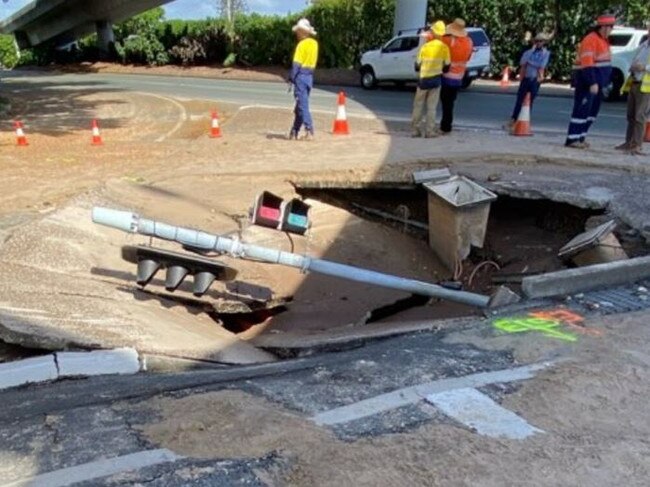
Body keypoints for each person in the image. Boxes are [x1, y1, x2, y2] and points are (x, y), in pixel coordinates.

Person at [565, 14, 615, 149]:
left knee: (591, 113)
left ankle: (580, 137)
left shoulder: (603, 41)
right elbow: (587, 63)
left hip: (598, 84)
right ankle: (573, 139)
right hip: (587, 83)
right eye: (609, 27)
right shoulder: (591, 40)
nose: (610, 30)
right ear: (602, 27)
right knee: (581, 111)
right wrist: (592, 82)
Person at [616, 20, 650, 155]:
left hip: (645, 86)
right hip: (635, 81)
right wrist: (633, 66)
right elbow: (634, 58)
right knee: (631, 115)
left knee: (639, 116)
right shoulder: (644, 45)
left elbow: (644, 65)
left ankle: (637, 144)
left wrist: (645, 68)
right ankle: (628, 142)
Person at [412, 21, 451, 138]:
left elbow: (416, 66)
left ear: (433, 32)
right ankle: (430, 131)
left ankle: (415, 130)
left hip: (423, 80)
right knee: (431, 108)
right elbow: (447, 66)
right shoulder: (444, 48)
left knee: (418, 105)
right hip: (436, 80)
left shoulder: (425, 47)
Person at [506, 33, 551, 131]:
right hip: (526, 78)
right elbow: (522, 62)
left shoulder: (546, 53)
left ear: (544, 42)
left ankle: (525, 119)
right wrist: (531, 51)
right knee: (520, 100)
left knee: (530, 101)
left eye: (541, 41)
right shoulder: (528, 52)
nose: (538, 43)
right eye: (537, 41)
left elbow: (542, 65)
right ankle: (514, 119)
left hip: (535, 79)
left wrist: (530, 62)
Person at [440, 18, 473, 134]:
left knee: (445, 102)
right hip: (459, 77)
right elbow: (468, 58)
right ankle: (447, 125)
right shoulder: (469, 42)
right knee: (451, 102)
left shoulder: (448, 41)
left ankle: (445, 126)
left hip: (447, 76)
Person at [289, 18, 319, 141]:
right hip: (309, 76)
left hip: (300, 76)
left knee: (302, 105)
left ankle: (309, 129)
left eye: (298, 31)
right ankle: (294, 131)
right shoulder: (314, 44)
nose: (296, 33)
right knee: (300, 105)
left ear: (302, 32)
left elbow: (296, 64)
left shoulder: (301, 45)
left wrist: (291, 78)